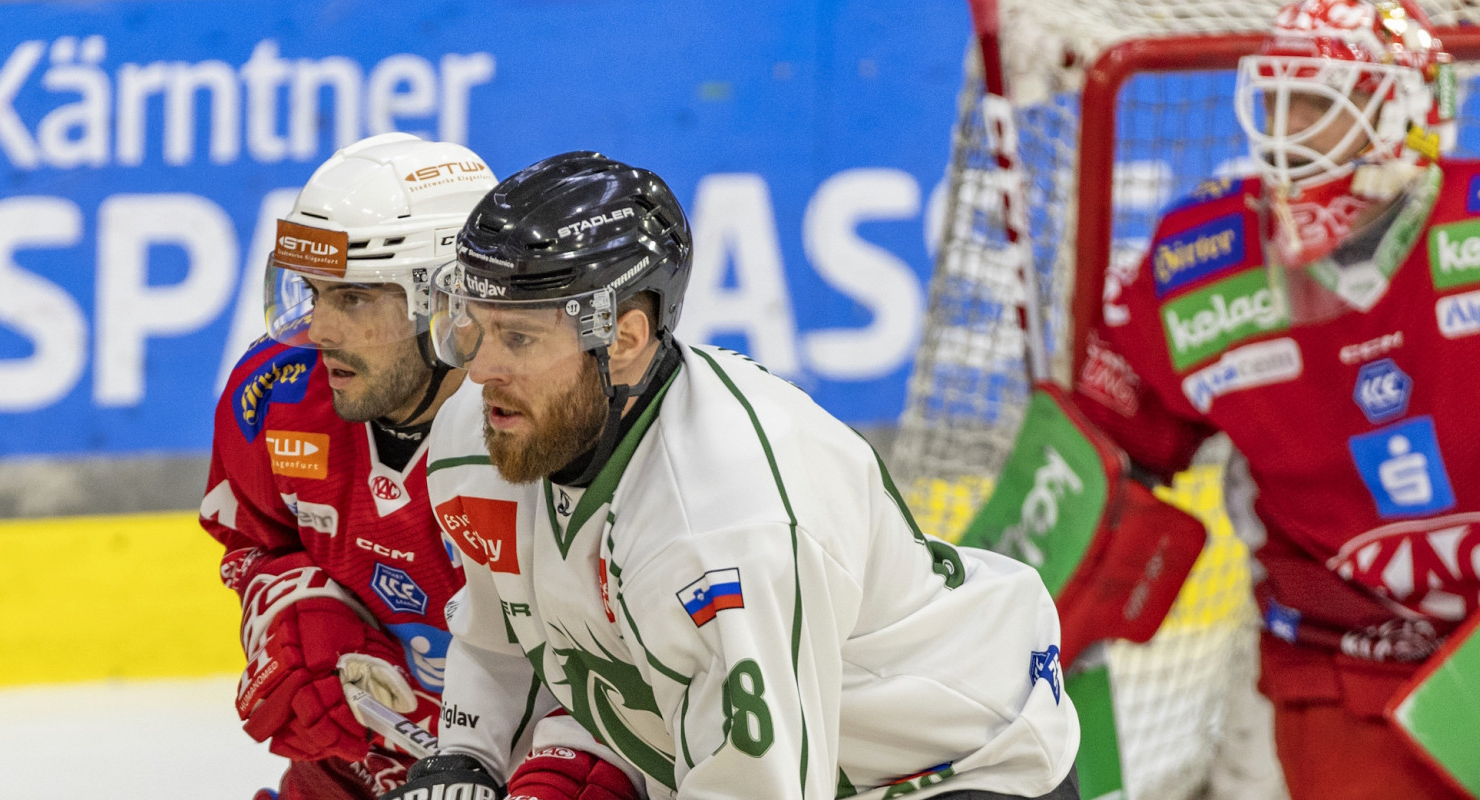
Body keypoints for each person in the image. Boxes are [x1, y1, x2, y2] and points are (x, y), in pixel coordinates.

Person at [380, 151, 1079, 800]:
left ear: (623, 340)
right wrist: (467, 754)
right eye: (476, 325)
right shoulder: (486, 433)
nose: (480, 370)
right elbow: (503, 633)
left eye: (520, 339)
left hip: (954, 768)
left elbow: (757, 786)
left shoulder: (720, 524)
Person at [1067, 0, 1480, 796]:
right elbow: (1110, 446)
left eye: (1318, 103)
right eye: (1278, 100)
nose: (1287, 129)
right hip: (1345, 663)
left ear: (1404, 113)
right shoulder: (1198, 266)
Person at [199, 132, 495, 800]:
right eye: (312, 292)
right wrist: (298, 613)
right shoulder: (273, 398)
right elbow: (255, 544)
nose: (320, 329)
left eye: (354, 299)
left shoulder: (543, 437)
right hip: (350, 776)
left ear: (449, 301)